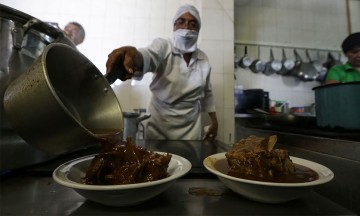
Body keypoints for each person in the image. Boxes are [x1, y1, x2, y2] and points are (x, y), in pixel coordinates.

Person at [106, 4, 218, 140]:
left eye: (193, 24)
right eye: (181, 22)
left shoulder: (203, 59)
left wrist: (214, 121)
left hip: (191, 130)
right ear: (174, 27)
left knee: (191, 161)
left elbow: (207, 93)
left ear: (198, 30)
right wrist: (134, 56)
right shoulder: (163, 47)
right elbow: (147, 56)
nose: (187, 27)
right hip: (159, 127)